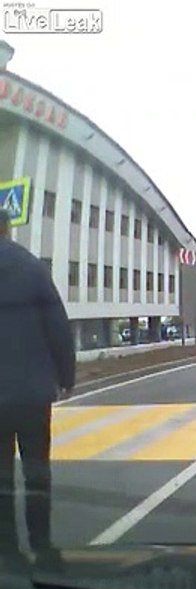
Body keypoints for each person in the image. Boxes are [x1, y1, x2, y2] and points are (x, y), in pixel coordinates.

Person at [0, 208, 75, 565]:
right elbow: (57, 325)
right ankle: (43, 549)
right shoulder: (31, 267)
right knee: (36, 471)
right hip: (31, 392)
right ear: (7, 228)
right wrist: (66, 375)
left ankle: (6, 551)